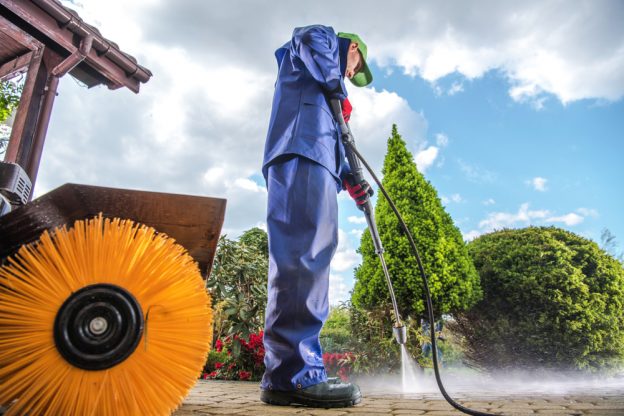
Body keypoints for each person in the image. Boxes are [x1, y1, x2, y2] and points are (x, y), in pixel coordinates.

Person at [260, 24, 373, 408]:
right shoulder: (320, 40)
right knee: (303, 259)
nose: (350, 75)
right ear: (352, 47)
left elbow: (338, 145)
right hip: (301, 153)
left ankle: (290, 373)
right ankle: (295, 375)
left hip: (318, 162)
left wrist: (353, 181)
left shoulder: (329, 95)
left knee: (313, 259)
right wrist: (336, 86)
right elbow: (307, 38)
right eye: (354, 66)